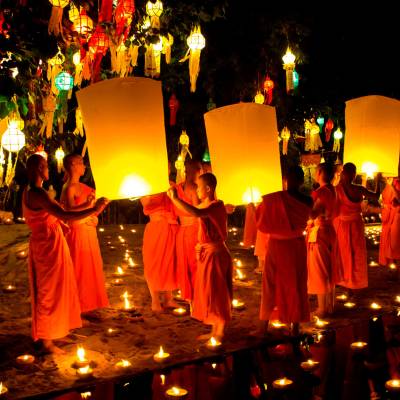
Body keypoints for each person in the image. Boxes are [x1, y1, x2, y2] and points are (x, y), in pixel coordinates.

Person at [22, 154, 108, 353]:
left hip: (49, 243)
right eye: (44, 166)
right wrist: (93, 208)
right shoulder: (37, 193)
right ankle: (46, 341)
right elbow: (64, 214)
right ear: (37, 169)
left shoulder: (33, 192)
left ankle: (57, 330)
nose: (49, 169)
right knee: (49, 292)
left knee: (60, 288)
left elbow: (53, 215)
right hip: (47, 245)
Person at [167, 173, 232, 341]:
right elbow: (193, 212)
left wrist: (175, 199)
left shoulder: (216, 206)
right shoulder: (205, 205)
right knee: (208, 290)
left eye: (199, 186)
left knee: (217, 291)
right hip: (207, 252)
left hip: (216, 253)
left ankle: (221, 330)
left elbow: (195, 213)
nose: (196, 190)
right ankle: (214, 328)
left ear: (208, 188)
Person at [256, 166, 312, 335]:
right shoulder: (307, 201)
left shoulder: (274, 199)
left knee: (271, 284)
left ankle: (264, 327)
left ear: (285, 179)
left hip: (279, 245)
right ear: (301, 181)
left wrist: (254, 208)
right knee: (296, 284)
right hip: (295, 245)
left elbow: (261, 224)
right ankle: (294, 326)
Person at [60, 154, 109, 315]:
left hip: (88, 232)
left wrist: (100, 206)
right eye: (81, 163)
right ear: (73, 165)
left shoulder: (84, 187)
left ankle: (87, 305)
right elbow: (68, 211)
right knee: (79, 269)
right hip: (77, 233)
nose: (84, 166)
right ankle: (76, 307)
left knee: (90, 269)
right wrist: (89, 206)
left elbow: (92, 211)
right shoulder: (69, 187)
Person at [334, 162, 382, 292]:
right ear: (354, 174)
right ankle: (354, 280)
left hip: (342, 224)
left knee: (343, 251)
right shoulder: (358, 189)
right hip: (355, 224)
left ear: (343, 173)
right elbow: (376, 196)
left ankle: (343, 278)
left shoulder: (336, 189)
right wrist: (377, 178)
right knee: (356, 252)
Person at [307, 163, 337, 317]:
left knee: (320, 269)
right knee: (329, 268)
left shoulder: (321, 192)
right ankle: (330, 305)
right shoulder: (333, 190)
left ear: (319, 172)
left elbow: (313, 213)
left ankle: (322, 308)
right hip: (330, 230)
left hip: (320, 232)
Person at [141, 190, 179, 312]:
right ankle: (155, 300)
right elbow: (146, 204)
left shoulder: (171, 186)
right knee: (153, 262)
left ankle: (168, 298)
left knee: (169, 261)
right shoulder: (146, 186)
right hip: (156, 228)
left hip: (170, 227)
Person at [174, 160, 201, 303]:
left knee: (185, 264)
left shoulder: (177, 188)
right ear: (196, 170)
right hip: (193, 229)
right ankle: (197, 298)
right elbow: (198, 211)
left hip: (181, 231)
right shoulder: (194, 187)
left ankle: (190, 298)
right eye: (200, 170)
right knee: (196, 264)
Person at [379, 176, 400, 266]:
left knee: (394, 236)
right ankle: (390, 258)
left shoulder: (393, 184)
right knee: (389, 235)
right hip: (390, 212)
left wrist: (391, 186)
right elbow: (381, 199)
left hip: (396, 213)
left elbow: (398, 199)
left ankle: (394, 258)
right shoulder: (388, 184)